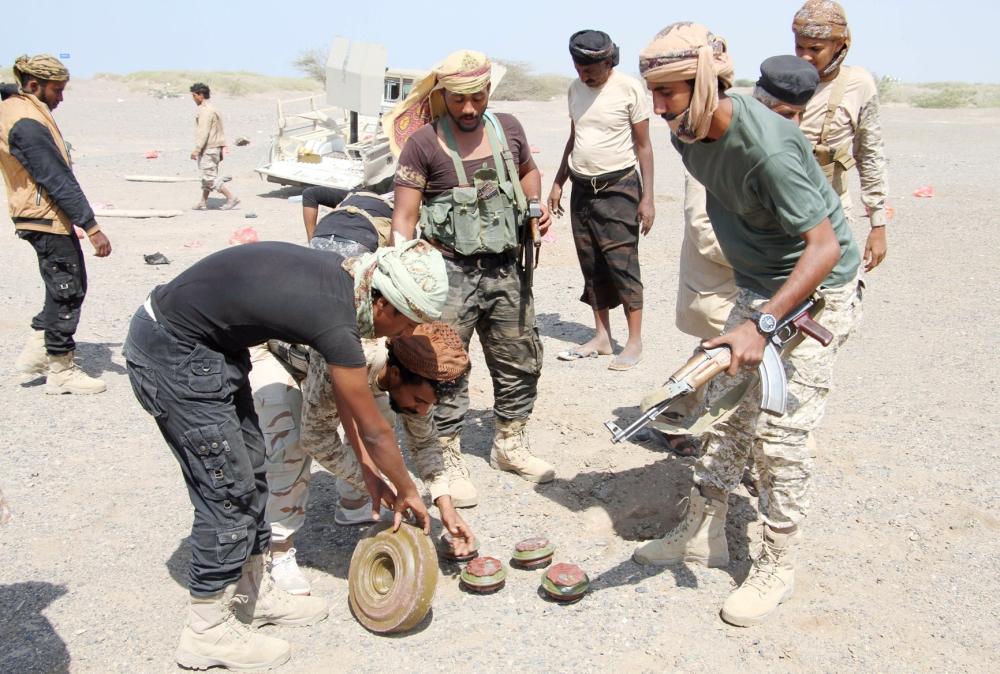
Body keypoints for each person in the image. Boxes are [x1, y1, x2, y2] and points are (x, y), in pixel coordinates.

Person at [123, 239, 447, 670]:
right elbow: (374, 430)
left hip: (214, 351)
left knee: (252, 470)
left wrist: (372, 475)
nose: (403, 335)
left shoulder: (347, 286)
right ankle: (206, 631)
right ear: (384, 302)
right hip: (174, 350)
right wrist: (407, 490)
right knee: (227, 493)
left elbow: (351, 410)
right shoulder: (338, 320)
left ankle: (252, 594)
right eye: (407, 323)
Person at [633, 23, 863, 628]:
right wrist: (754, 310)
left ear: (705, 86)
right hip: (760, 289)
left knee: (781, 437)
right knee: (725, 414)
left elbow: (824, 249)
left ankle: (777, 564)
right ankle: (700, 534)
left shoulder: (770, 148)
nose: (658, 107)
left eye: (668, 92)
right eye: (652, 92)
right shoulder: (687, 135)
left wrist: (761, 324)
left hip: (815, 293)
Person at [386, 49, 555, 502]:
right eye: (458, 99)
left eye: (477, 98)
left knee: (519, 358)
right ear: (443, 95)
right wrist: (402, 274)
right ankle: (446, 456)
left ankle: (510, 444)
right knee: (443, 365)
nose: (468, 108)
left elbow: (529, 172)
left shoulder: (508, 129)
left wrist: (535, 206)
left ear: (487, 91)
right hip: (448, 274)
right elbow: (405, 215)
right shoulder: (423, 143)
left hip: (506, 271)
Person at [661, 55, 821, 457]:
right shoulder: (714, 142)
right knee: (722, 362)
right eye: (784, 114)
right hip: (725, 272)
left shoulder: (778, 147)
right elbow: (702, 225)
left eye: (798, 115)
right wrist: (755, 259)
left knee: (753, 377)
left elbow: (818, 234)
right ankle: (671, 414)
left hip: (775, 278)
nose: (792, 124)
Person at [261, 322, 477, 594]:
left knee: (380, 419)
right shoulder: (352, 353)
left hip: (330, 365)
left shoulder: (418, 367)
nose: (423, 411)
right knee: (289, 440)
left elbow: (423, 441)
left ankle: (354, 505)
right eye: (420, 400)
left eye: (429, 404)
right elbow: (317, 438)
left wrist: (445, 504)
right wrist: (373, 482)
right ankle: (279, 551)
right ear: (396, 374)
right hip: (273, 350)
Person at [2, 54, 112, 394]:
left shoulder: (19, 106)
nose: (61, 98)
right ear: (35, 85)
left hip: (39, 213)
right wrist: (91, 227)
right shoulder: (25, 121)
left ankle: (38, 350)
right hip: (44, 215)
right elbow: (55, 177)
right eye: (57, 90)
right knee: (68, 289)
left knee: (62, 285)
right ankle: (61, 370)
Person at [548, 30, 655, 371]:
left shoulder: (629, 89)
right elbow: (574, 137)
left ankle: (634, 342)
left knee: (623, 264)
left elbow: (644, 146)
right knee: (591, 264)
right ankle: (602, 337)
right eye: (578, 68)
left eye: (590, 69)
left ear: (609, 62)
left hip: (619, 188)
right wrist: (559, 182)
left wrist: (648, 198)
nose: (584, 75)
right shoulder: (574, 89)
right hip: (582, 188)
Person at [793, 0, 889, 272]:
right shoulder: (781, 78)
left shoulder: (858, 84)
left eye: (815, 49)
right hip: (782, 214)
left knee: (837, 288)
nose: (805, 56)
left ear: (839, 45)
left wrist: (878, 224)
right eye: (799, 47)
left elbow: (870, 154)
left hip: (832, 212)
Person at [301, 186, 393, 257]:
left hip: (320, 238)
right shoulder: (396, 207)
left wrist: (311, 241)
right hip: (357, 245)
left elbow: (309, 194)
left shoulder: (353, 195)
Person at [189, 83, 238, 211]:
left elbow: (203, 132)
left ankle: (231, 198)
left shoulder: (205, 110)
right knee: (208, 176)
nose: (193, 99)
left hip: (209, 148)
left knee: (209, 178)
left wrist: (197, 150)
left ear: (200, 95)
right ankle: (203, 202)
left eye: (194, 96)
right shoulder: (214, 108)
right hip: (215, 147)